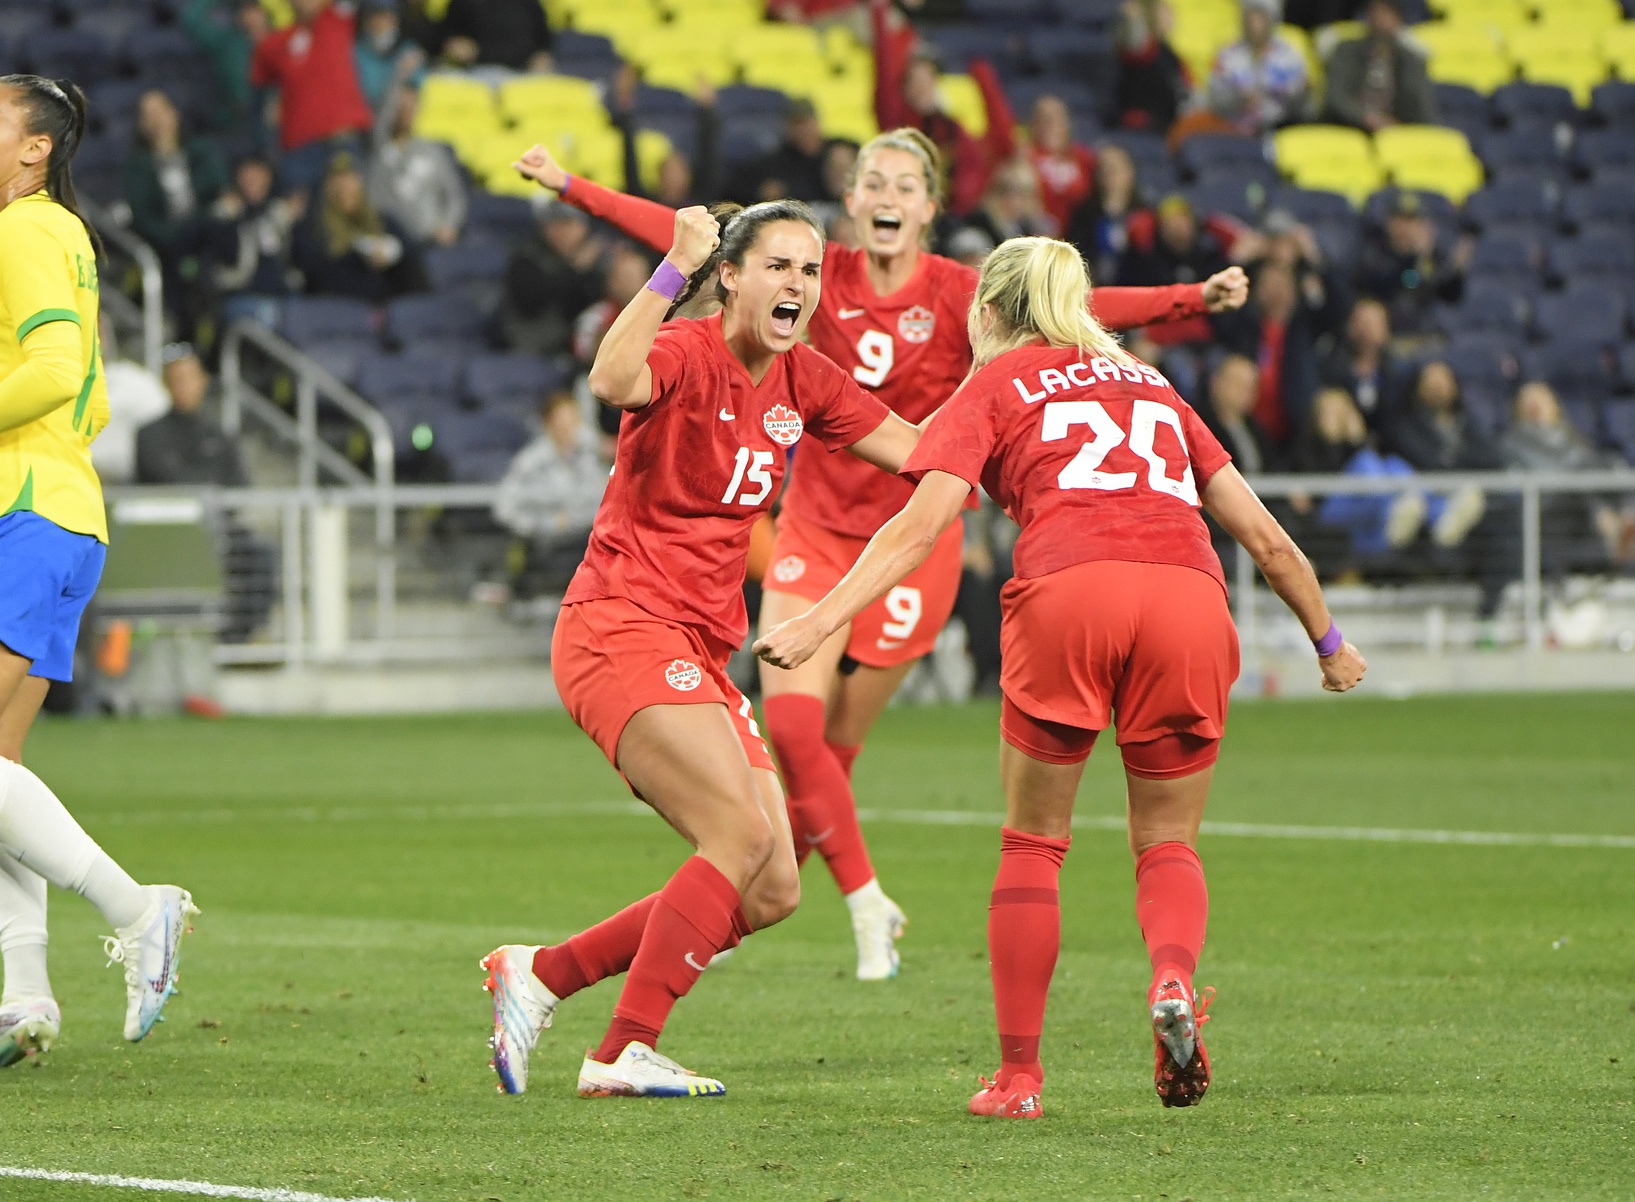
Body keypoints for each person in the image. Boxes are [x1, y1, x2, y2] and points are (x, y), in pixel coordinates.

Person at [511, 128, 1250, 981]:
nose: (886, 194)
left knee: (824, 766)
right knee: (788, 739)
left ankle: (716, 915)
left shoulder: (959, 294)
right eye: (871, 180)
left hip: (912, 535)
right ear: (853, 203)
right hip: (810, 535)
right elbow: (698, 241)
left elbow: (1071, 311)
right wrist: (575, 189)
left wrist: (1185, 299)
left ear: (929, 208)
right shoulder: (805, 282)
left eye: (905, 182)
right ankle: (862, 900)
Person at [753, 234, 1366, 1120]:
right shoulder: (1155, 387)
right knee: (1165, 842)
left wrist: (817, 618)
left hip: (1070, 591)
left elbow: (916, 528)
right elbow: (1265, 538)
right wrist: (1328, 640)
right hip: (1189, 598)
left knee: (1034, 842)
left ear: (991, 311)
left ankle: (1018, 1078)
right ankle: (1170, 982)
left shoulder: (994, 383)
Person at [479, 200, 924, 1099]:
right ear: (730, 275)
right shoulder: (686, 348)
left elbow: (917, 450)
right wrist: (668, 270)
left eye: (808, 270)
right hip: (620, 624)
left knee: (770, 886)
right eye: (777, 266)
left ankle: (544, 973)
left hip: (697, 646)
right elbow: (609, 379)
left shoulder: (805, 379)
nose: (796, 283)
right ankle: (620, 1051)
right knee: (739, 831)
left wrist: (1028, 428)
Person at [0, 74, 198, 1068]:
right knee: (0, 771)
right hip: (57, 507)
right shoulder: (58, 234)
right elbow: (89, 397)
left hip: (27, 512)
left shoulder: (24, 231)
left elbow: (50, 368)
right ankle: (24, 992)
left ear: (35, 148)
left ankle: (137, 905)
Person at [870, 0, 1016, 215]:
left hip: (958, 213)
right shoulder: (898, 124)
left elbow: (1001, 146)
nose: (921, 88)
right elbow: (885, 77)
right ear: (904, 89)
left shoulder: (953, 128)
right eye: (914, 82)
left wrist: (981, 72)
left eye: (927, 80)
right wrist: (880, 15)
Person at [250, 0, 374, 195]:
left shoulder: (336, 19)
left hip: (343, 139)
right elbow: (260, 99)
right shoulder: (273, 45)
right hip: (300, 149)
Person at [492, 390, 608, 598]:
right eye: (562, 421)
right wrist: (547, 524)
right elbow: (505, 508)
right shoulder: (531, 463)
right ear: (548, 423)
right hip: (547, 550)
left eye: (572, 419)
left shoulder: (591, 457)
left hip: (587, 544)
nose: (568, 427)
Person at [293, 152, 425, 302]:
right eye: (338, 181)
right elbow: (316, 277)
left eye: (350, 179)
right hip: (345, 311)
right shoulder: (313, 230)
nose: (345, 187)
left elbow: (413, 256)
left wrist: (393, 253)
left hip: (392, 308)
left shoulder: (382, 221)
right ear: (327, 188)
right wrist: (358, 257)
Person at [202, 153, 303, 329]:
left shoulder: (277, 213)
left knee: (307, 314)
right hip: (241, 296)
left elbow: (305, 259)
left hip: (284, 296)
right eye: (247, 175)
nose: (253, 181)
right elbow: (220, 253)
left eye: (259, 175)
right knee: (274, 316)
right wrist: (226, 219)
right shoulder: (224, 215)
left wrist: (294, 222)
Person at [1354, 192, 1470, 338]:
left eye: (1413, 220)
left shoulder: (1431, 256)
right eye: (1400, 219)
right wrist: (1415, 259)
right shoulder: (1374, 252)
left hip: (1422, 336)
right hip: (1387, 338)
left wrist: (1456, 272)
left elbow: (1449, 296)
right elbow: (1393, 284)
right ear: (1389, 223)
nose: (1406, 228)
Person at [500, 199, 605, 357]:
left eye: (569, 224)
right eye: (556, 224)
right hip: (532, 350)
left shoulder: (597, 259)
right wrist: (574, 270)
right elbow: (530, 303)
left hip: (581, 348)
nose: (563, 232)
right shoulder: (527, 257)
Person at [368, 84, 466, 247]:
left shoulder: (433, 151)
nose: (407, 111)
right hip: (394, 240)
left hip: (434, 237)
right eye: (401, 105)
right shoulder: (379, 151)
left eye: (412, 105)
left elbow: (454, 195)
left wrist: (449, 225)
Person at [1321, 0, 1437, 132]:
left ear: (1399, 20)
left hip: (1395, 132)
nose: (1381, 20)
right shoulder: (1345, 50)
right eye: (1376, 12)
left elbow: (1422, 105)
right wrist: (1367, 118)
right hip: (1347, 128)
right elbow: (1336, 98)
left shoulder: (1411, 60)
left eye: (1387, 14)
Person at [1202, 0, 1310, 136]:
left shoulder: (1290, 56)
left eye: (1261, 18)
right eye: (1250, 17)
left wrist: (1300, 95)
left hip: (1282, 129)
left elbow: (1304, 108)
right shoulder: (1227, 56)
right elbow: (1214, 101)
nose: (1255, 24)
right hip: (1234, 131)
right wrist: (1240, 101)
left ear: (1272, 20)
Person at [1319, 296, 1408, 432]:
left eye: (1373, 322)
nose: (1366, 328)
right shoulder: (1332, 366)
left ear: (1386, 329)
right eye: (1361, 321)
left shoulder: (1398, 371)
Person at [1065, 142, 1144, 287]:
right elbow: (1076, 253)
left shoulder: (1144, 213)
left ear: (1129, 172)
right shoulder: (1083, 213)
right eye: (1103, 169)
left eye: (1114, 169)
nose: (1109, 175)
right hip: (1093, 289)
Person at [730, 98, 828, 205]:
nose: (803, 130)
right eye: (796, 124)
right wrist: (760, 192)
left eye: (806, 123)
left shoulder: (835, 153)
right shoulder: (776, 163)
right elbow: (735, 187)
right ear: (787, 127)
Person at [1114, 0, 1188, 134]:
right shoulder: (1142, 50)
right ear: (1151, 14)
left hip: (1166, 125)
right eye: (1165, 12)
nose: (1172, 18)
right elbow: (1134, 45)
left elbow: (1181, 92)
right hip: (1137, 126)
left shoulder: (1170, 54)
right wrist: (1135, 19)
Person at [1025, 96, 1095, 235]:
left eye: (1055, 118)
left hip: (1079, 235)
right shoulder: (1025, 156)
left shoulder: (1085, 159)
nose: (1049, 123)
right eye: (1042, 118)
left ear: (1067, 123)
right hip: (1035, 235)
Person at [436, 0, 553, 73]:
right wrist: (453, 46)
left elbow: (544, 40)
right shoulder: (463, 3)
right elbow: (446, 39)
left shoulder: (529, 4)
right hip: (474, 72)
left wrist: (543, 54)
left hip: (521, 71)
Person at [353, 0, 425, 115]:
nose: (383, 23)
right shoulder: (354, 50)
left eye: (389, 17)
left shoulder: (407, 51)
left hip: (393, 120)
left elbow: (420, 85)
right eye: (378, 16)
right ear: (366, 19)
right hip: (360, 115)